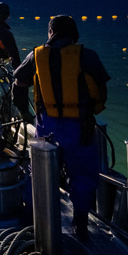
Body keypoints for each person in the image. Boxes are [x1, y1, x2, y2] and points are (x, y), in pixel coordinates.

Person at [12, 15, 110, 241]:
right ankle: (80, 225)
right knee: (83, 178)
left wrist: (24, 112)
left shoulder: (35, 56)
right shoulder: (88, 56)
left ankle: (29, 218)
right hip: (80, 129)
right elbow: (101, 89)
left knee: (38, 173)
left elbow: (20, 84)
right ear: (73, 33)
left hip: (47, 128)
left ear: (51, 32)